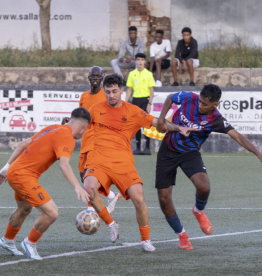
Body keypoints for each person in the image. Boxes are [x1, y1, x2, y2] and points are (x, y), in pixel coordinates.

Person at [83, 74, 198, 252]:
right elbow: (79, 123)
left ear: (122, 91)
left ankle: (145, 240)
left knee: (139, 199)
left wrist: (178, 127)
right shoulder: (95, 109)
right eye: (108, 92)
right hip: (99, 161)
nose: (111, 95)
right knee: (89, 188)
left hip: (123, 163)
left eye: (115, 91)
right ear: (104, 92)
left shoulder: (133, 111)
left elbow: (157, 123)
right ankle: (110, 223)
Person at [155, 85, 262, 250]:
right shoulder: (189, 97)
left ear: (215, 105)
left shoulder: (216, 119)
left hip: (190, 153)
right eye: (200, 101)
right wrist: (161, 120)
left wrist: (259, 155)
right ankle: (182, 234)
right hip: (167, 151)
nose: (200, 105)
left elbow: (238, 136)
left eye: (205, 104)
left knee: (204, 187)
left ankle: (198, 211)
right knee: (164, 199)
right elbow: (169, 98)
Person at [0, 107, 91, 260]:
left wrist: (5, 168)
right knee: (52, 212)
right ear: (84, 127)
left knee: (24, 209)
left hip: (16, 172)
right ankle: (30, 242)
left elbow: (22, 144)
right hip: (22, 176)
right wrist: (77, 186)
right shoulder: (67, 137)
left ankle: (7, 240)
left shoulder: (53, 127)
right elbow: (64, 165)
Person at [78, 66, 121, 213]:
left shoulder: (106, 96)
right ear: (89, 78)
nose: (95, 78)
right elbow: (81, 116)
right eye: (93, 76)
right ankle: (111, 195)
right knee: (83, 175)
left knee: (90, 177)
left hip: (98, 143)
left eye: (98, 76)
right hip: (85, 141)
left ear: (102, 78)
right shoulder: (84, 96)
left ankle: (91, 210)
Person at [126, 53, 156, 155]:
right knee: (136, 124)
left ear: (144, 62)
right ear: (135, 61)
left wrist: (150, 103)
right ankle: (138, 147)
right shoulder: (132, 74)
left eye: (142, 59)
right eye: (138, 59)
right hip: (135, 100)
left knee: (146, 123)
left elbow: (151, 90)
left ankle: (147, 148)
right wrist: (125, 102)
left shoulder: (148, 74)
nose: (140, 61)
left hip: (145, 100)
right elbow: (129, 89)